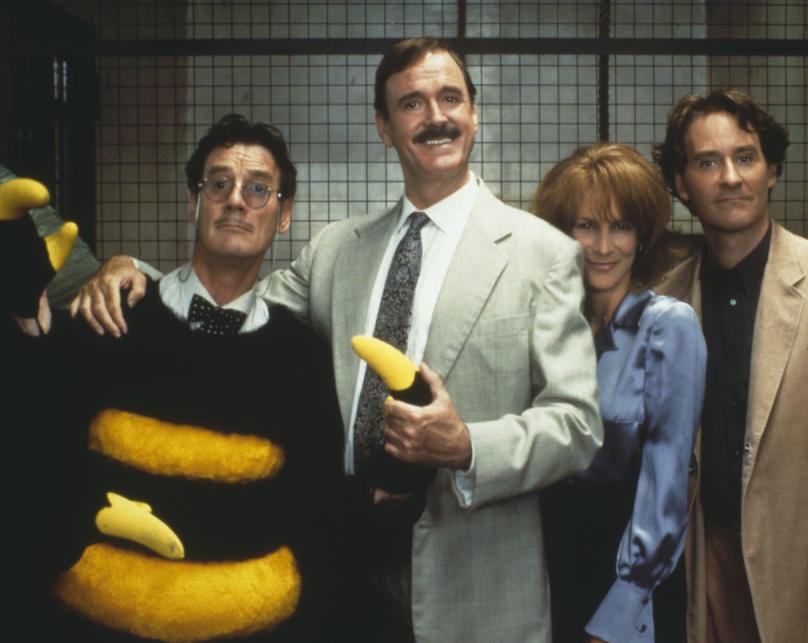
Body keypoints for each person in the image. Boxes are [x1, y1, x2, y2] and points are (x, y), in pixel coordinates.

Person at [71, 38, 602, 643]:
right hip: (345, 566)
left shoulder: (544, 255)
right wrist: (130, 273)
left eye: (450, 98)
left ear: (474, 115)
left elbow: (578, 425)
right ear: (384, 127)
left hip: (473, 577)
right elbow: (229, 301)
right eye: (411, 103)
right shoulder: (337, 248)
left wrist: (466, 446)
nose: (434, 117)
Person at [10, 114, 346, 641]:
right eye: (218, 184)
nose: (236, 199)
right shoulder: (107, 320)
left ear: (283, 216)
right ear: (194, 205)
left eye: (259, 189)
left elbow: (319, 517)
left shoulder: (302, 358)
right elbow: (30, 456)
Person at [652, 88, 808, 643]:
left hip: (805, 581)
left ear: (773, 171)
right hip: (700, 570)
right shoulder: (667, 299)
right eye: (707, 161)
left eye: (746, 157)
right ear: (680, 184)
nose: (730, 177)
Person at [533, 143, 706, 643]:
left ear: (644, 234)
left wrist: (620, 612)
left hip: (626, 577)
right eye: (585, 226)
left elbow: (667, 482)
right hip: (545, 569)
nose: (603, 245)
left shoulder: (668, 327)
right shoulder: (549, 329)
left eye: (621, 227)